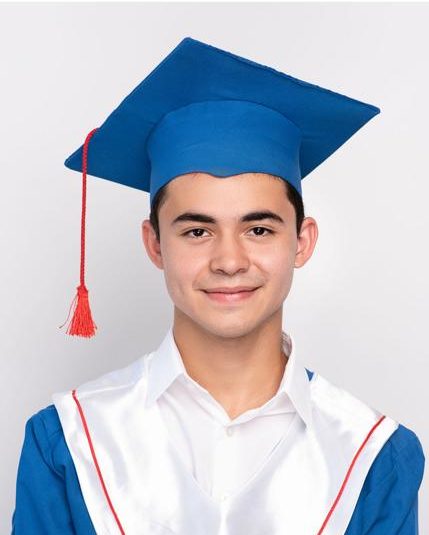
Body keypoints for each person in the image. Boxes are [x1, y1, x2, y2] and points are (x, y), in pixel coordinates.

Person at [12, 36, 425, 534]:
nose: (229, 261)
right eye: (197, 231)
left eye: (259, 230)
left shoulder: (373, 455)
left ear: (302, 242)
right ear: (155, 244)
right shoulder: (69, 441)